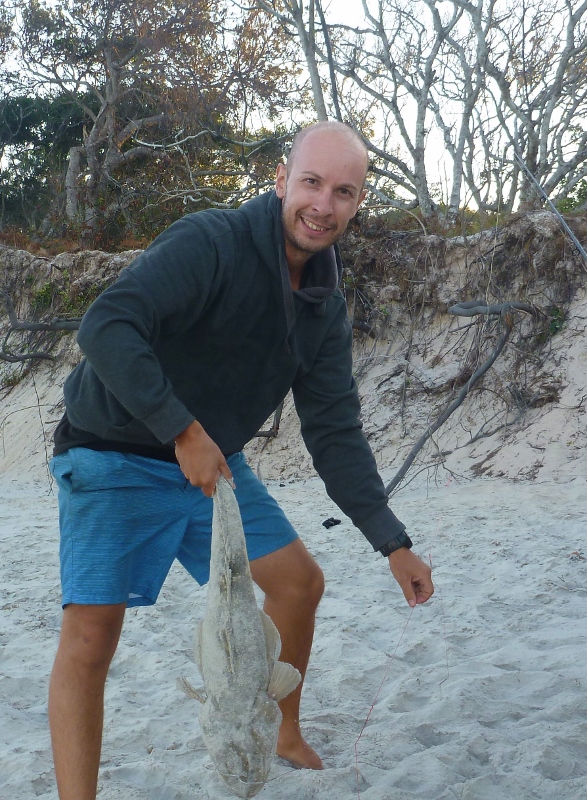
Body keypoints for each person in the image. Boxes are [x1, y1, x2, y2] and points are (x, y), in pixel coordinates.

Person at [48, 120, 434, 800]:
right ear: (281, 179)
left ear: (358, 202)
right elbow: (106, 325)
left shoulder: (321, 306)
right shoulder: (211, 242)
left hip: (209, 468)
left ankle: (281, 729)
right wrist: (180, 429)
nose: (323, 205)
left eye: (343, 192)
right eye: (311, 182)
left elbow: (336, 433)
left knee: (297, 583)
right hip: (111, 452)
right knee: (91, 635)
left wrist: (391, 542)